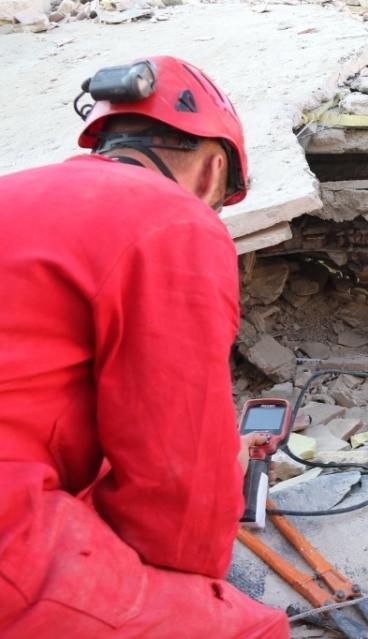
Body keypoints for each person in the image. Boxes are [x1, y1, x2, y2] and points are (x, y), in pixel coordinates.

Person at [0, 56, 288, 637]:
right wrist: (190, 588)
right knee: (249, 627)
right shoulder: (173, 221)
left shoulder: (15, 192)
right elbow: (176, 481)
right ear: (212, 171)